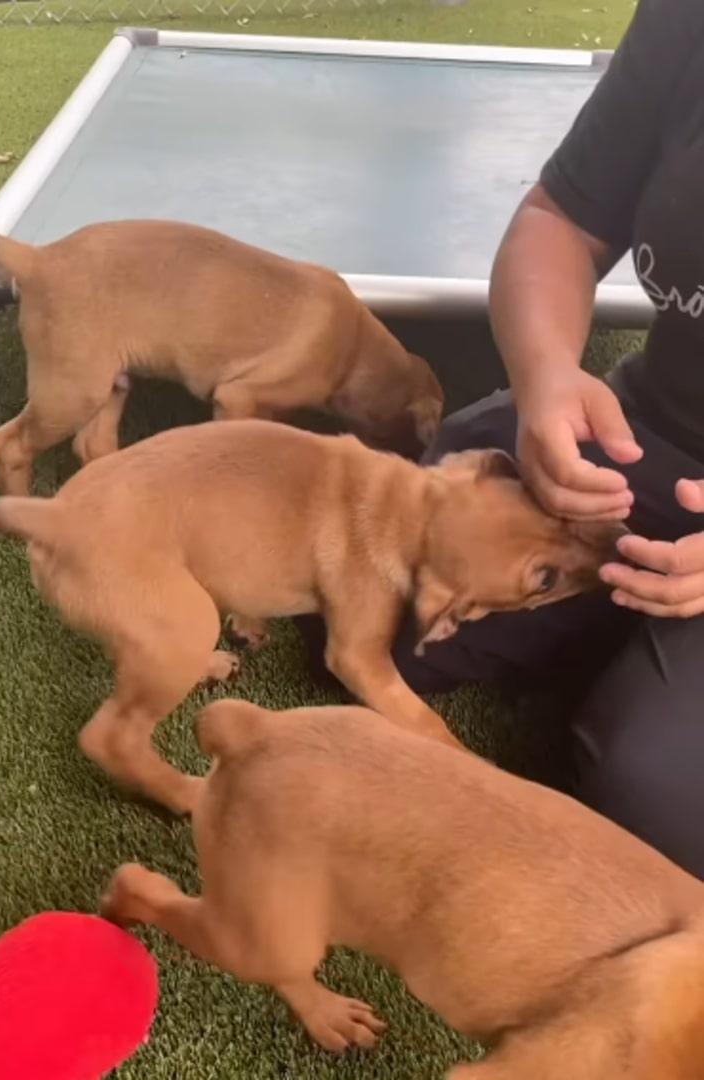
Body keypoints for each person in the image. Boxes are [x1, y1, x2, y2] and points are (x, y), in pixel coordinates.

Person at [300, 0, 704, 880]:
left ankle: (625, 654)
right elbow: (561, 217)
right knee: (378, 595)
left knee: (661, 800)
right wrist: (547, 375)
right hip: (652, 439)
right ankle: (613, 618)